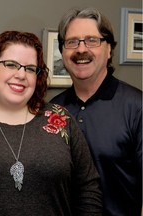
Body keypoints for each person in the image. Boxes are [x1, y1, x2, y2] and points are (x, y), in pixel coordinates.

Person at [0, 30, 102, 215]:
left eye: (30, 68)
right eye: (11, 65)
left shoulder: (61, 119)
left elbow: (88, 189)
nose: (21, 75)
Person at [50, 7, 142, 216]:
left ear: (109, 49)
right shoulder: (53, 110)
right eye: (72, 42)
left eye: (92, 40)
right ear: (63, 51)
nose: (81, 49)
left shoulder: (137, 107)